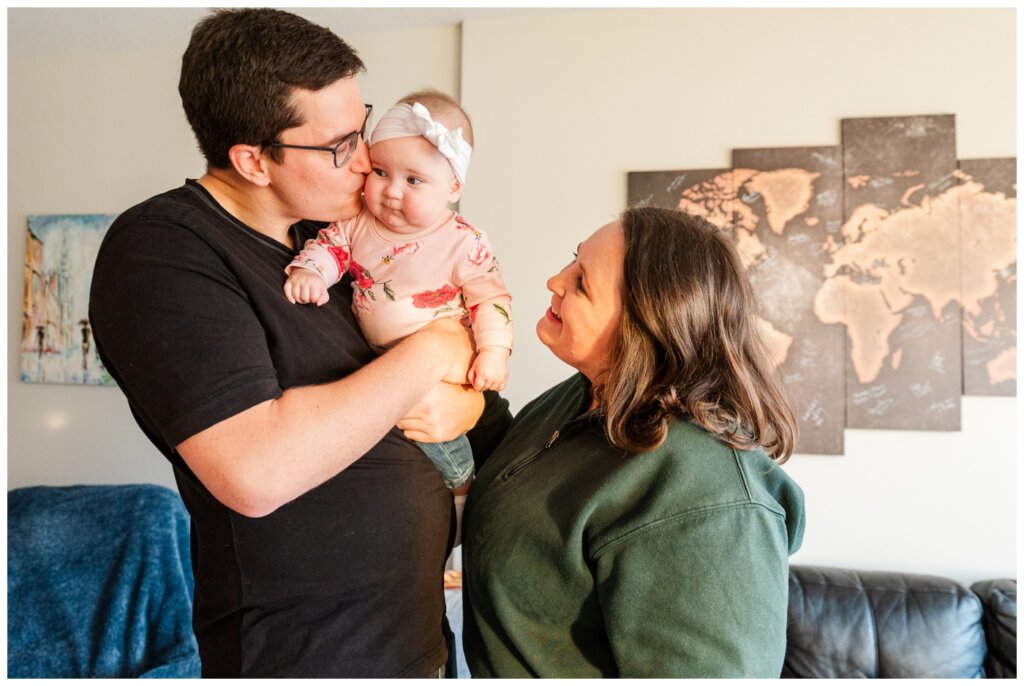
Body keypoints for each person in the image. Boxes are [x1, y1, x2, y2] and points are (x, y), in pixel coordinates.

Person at [88, 8, 510, 678]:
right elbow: (258, 472)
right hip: (304, 657)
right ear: (253, 160)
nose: (368, 160)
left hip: (419, 649)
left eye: (361, 129)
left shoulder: (331, 241)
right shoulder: (164, 251)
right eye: (340, 145)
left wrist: (468, 400)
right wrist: (434, 352)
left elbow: (458, 361)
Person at [461, 206, 806, 677]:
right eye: (572, 260)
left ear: (645, 324)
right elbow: (517, 476)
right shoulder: (582, 398)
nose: (553, 281)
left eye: (581, 282)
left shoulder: (710, 501)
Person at [283, 90, 512, 545]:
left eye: (414, 181)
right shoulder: (358, 223)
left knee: (437, 433)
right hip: (383, 359)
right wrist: (311, 271)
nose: (390, 191)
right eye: (382, 172)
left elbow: (491, 297)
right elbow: (330, 248)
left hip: (441, 370)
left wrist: (494, 351)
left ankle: (464, 489)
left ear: (453, 189)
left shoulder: (463, 241)